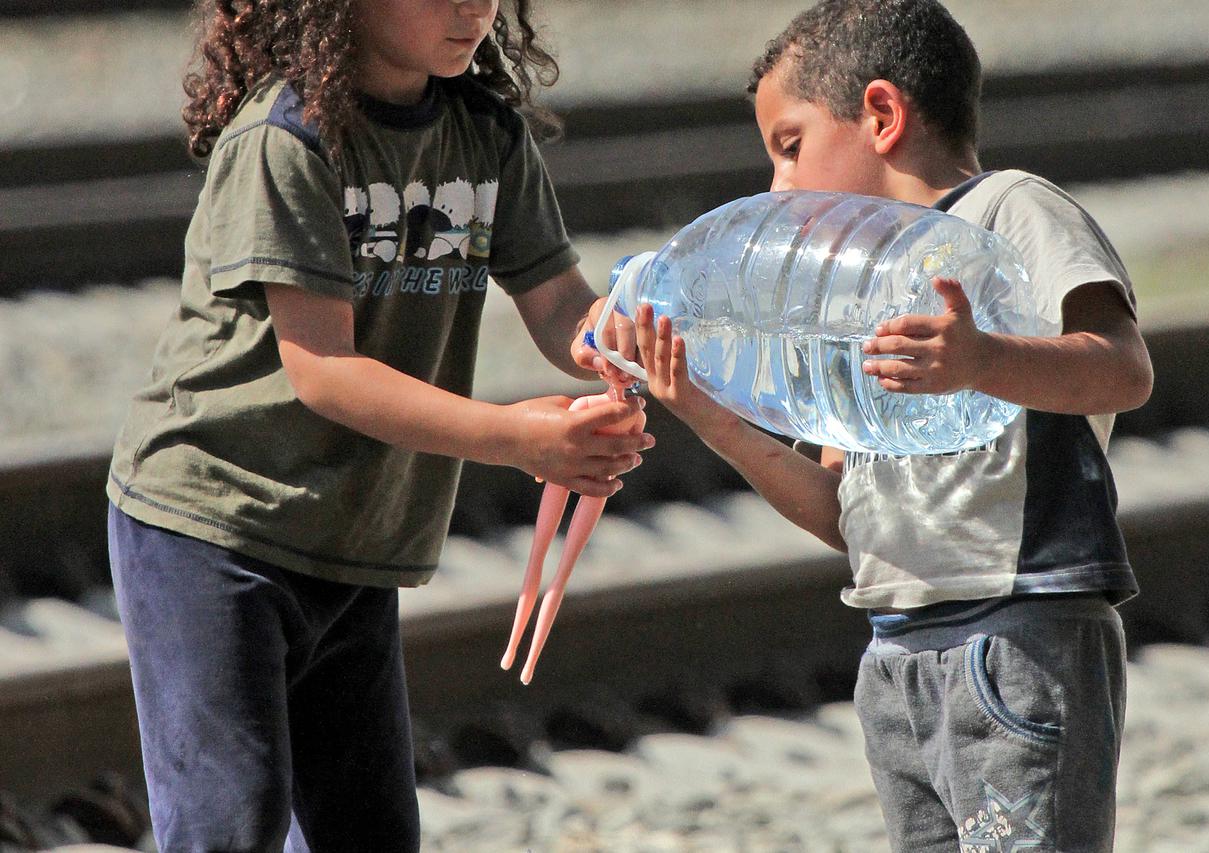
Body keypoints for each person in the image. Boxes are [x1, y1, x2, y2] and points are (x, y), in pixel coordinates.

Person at [105, 0, 653, 849]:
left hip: (354, 533)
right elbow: (326, 371)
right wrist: (523, 439)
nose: (475, 6)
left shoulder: (485, 133)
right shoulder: (288, 138)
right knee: (231, 824)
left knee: (368, 830)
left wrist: (634, 346)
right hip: (214, 525)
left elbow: (560, 310)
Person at [626, 1, 1153, 850]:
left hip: (1016, 637)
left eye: (790, 146)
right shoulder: (851, 297)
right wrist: (700, 407)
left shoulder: (1010, 211)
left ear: (881, 115)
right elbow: (840, 510)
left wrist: (983, 360)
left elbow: (1125, 370)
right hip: (895, 655)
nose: (777, 188)